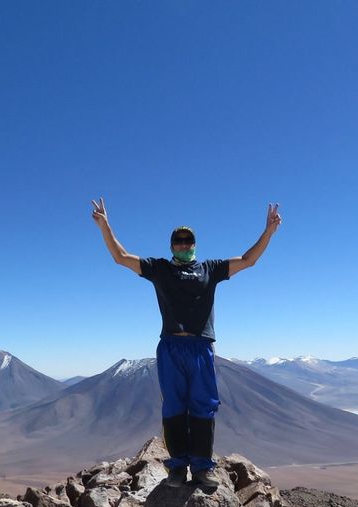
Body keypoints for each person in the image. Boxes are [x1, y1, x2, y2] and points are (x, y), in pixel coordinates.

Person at [91, 197, 282, 487]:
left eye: (187, 240)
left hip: (201, 347)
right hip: (170, 346)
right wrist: (105, 225)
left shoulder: (211, 269)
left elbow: (248, 261)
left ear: (194, 244)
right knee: (174, 407)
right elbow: (121, 257)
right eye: (178, 241)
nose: (183, 245)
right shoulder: (160, 269)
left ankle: (202, 467)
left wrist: (267, 232)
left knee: (203, 406)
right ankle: (178, 467)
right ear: (171, 246)